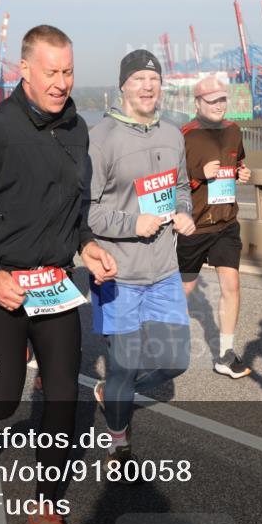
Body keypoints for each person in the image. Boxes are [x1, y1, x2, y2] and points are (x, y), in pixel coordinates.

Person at [0, 24, 116, 524]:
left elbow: (76, 205)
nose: (61, 83)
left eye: (68, 72)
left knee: (64, 394)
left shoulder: (77, 130)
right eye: (52, 72)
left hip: (55, 285)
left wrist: (86, 244)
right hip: (3, 284)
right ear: (25, 71)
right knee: (6, 393)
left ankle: (44, 513)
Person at [88, 50, 195, 473]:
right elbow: (88, 210)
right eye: (139, 79)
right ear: (123, 86)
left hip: (164, 272)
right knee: (125, 366)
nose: (148, 86)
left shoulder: (174, 134)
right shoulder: (103, 138)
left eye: (154, 79)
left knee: (175, 362)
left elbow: (182, 187)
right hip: (120, 275)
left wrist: (183, 210)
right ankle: (118, 438)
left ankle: (114, 389)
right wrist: (135, 222)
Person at [178, 75, 253, 378]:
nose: (219, 105)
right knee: (183, 291)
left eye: (222, 99)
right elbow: (169, 182)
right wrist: (198, 175)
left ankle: (225, 354)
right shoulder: (184, 135)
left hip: (225, 223)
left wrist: (242, 173)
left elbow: (238, 163)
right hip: (193, 227)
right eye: (212, 101)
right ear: (197, 103)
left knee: (231, 286)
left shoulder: (234, 131)